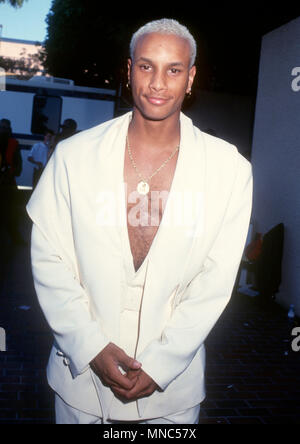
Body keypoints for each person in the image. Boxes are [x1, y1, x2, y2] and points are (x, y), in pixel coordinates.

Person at [26, 18, 253, 424]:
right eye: (146, 66)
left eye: (174, 69)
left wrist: (162, 362)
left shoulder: (229, 169)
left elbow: (216, 280)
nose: (158, 83)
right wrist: (89, 344)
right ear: (128, 70)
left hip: (172, 396)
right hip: (79, 387)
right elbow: (49, 258)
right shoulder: (73, 157)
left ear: (191, 77)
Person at [0, 118, 24, 245]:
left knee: (12, 213)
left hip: (8, 183)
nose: (3, 130)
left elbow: (18, 163)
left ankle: (16, 239)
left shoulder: (14, 143)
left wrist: (12, 173)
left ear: (9, 130)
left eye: (6, 128)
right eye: (1, 127)